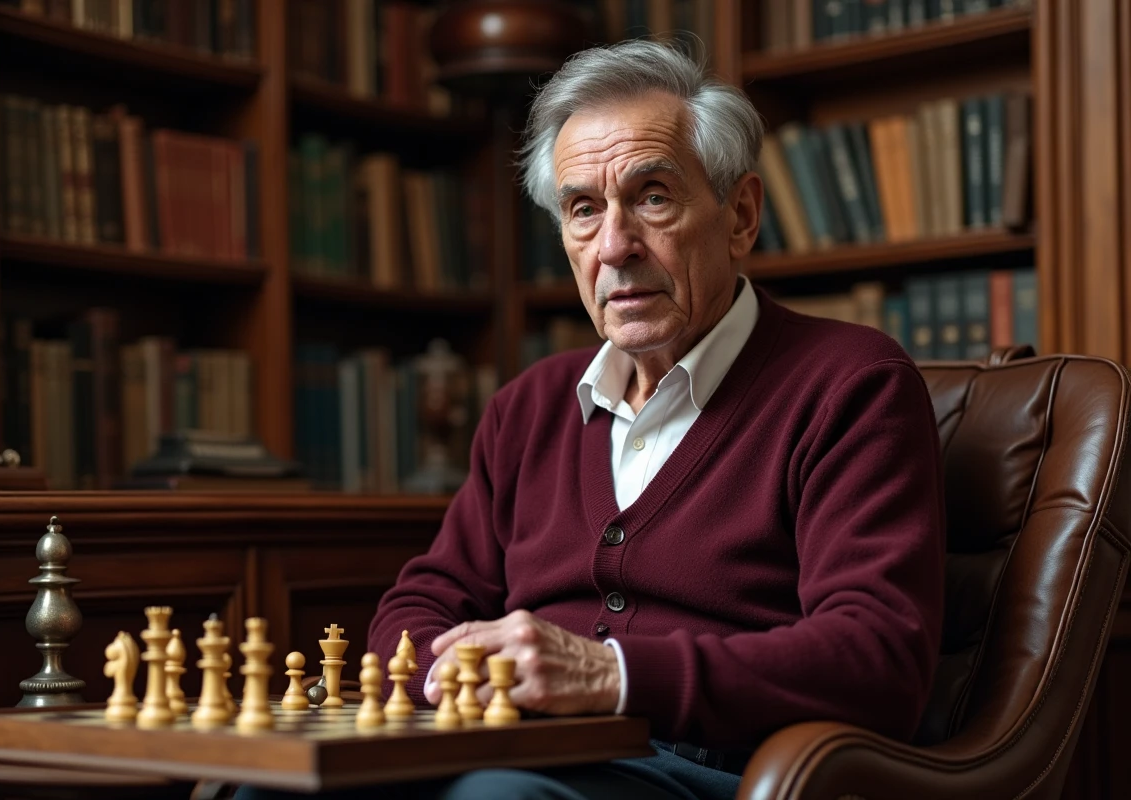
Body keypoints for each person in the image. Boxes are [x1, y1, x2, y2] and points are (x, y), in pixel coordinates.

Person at [237, 37, 945, 800]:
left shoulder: (850, 384)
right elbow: (422, 602)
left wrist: (611, 676)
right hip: (509, 752)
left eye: (652, 197)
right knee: (267, 788)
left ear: (740, 215)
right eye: (583, 210)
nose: (614, 247)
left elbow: (878, 656)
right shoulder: (530, 407)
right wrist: (451, 680)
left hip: (704, 770)